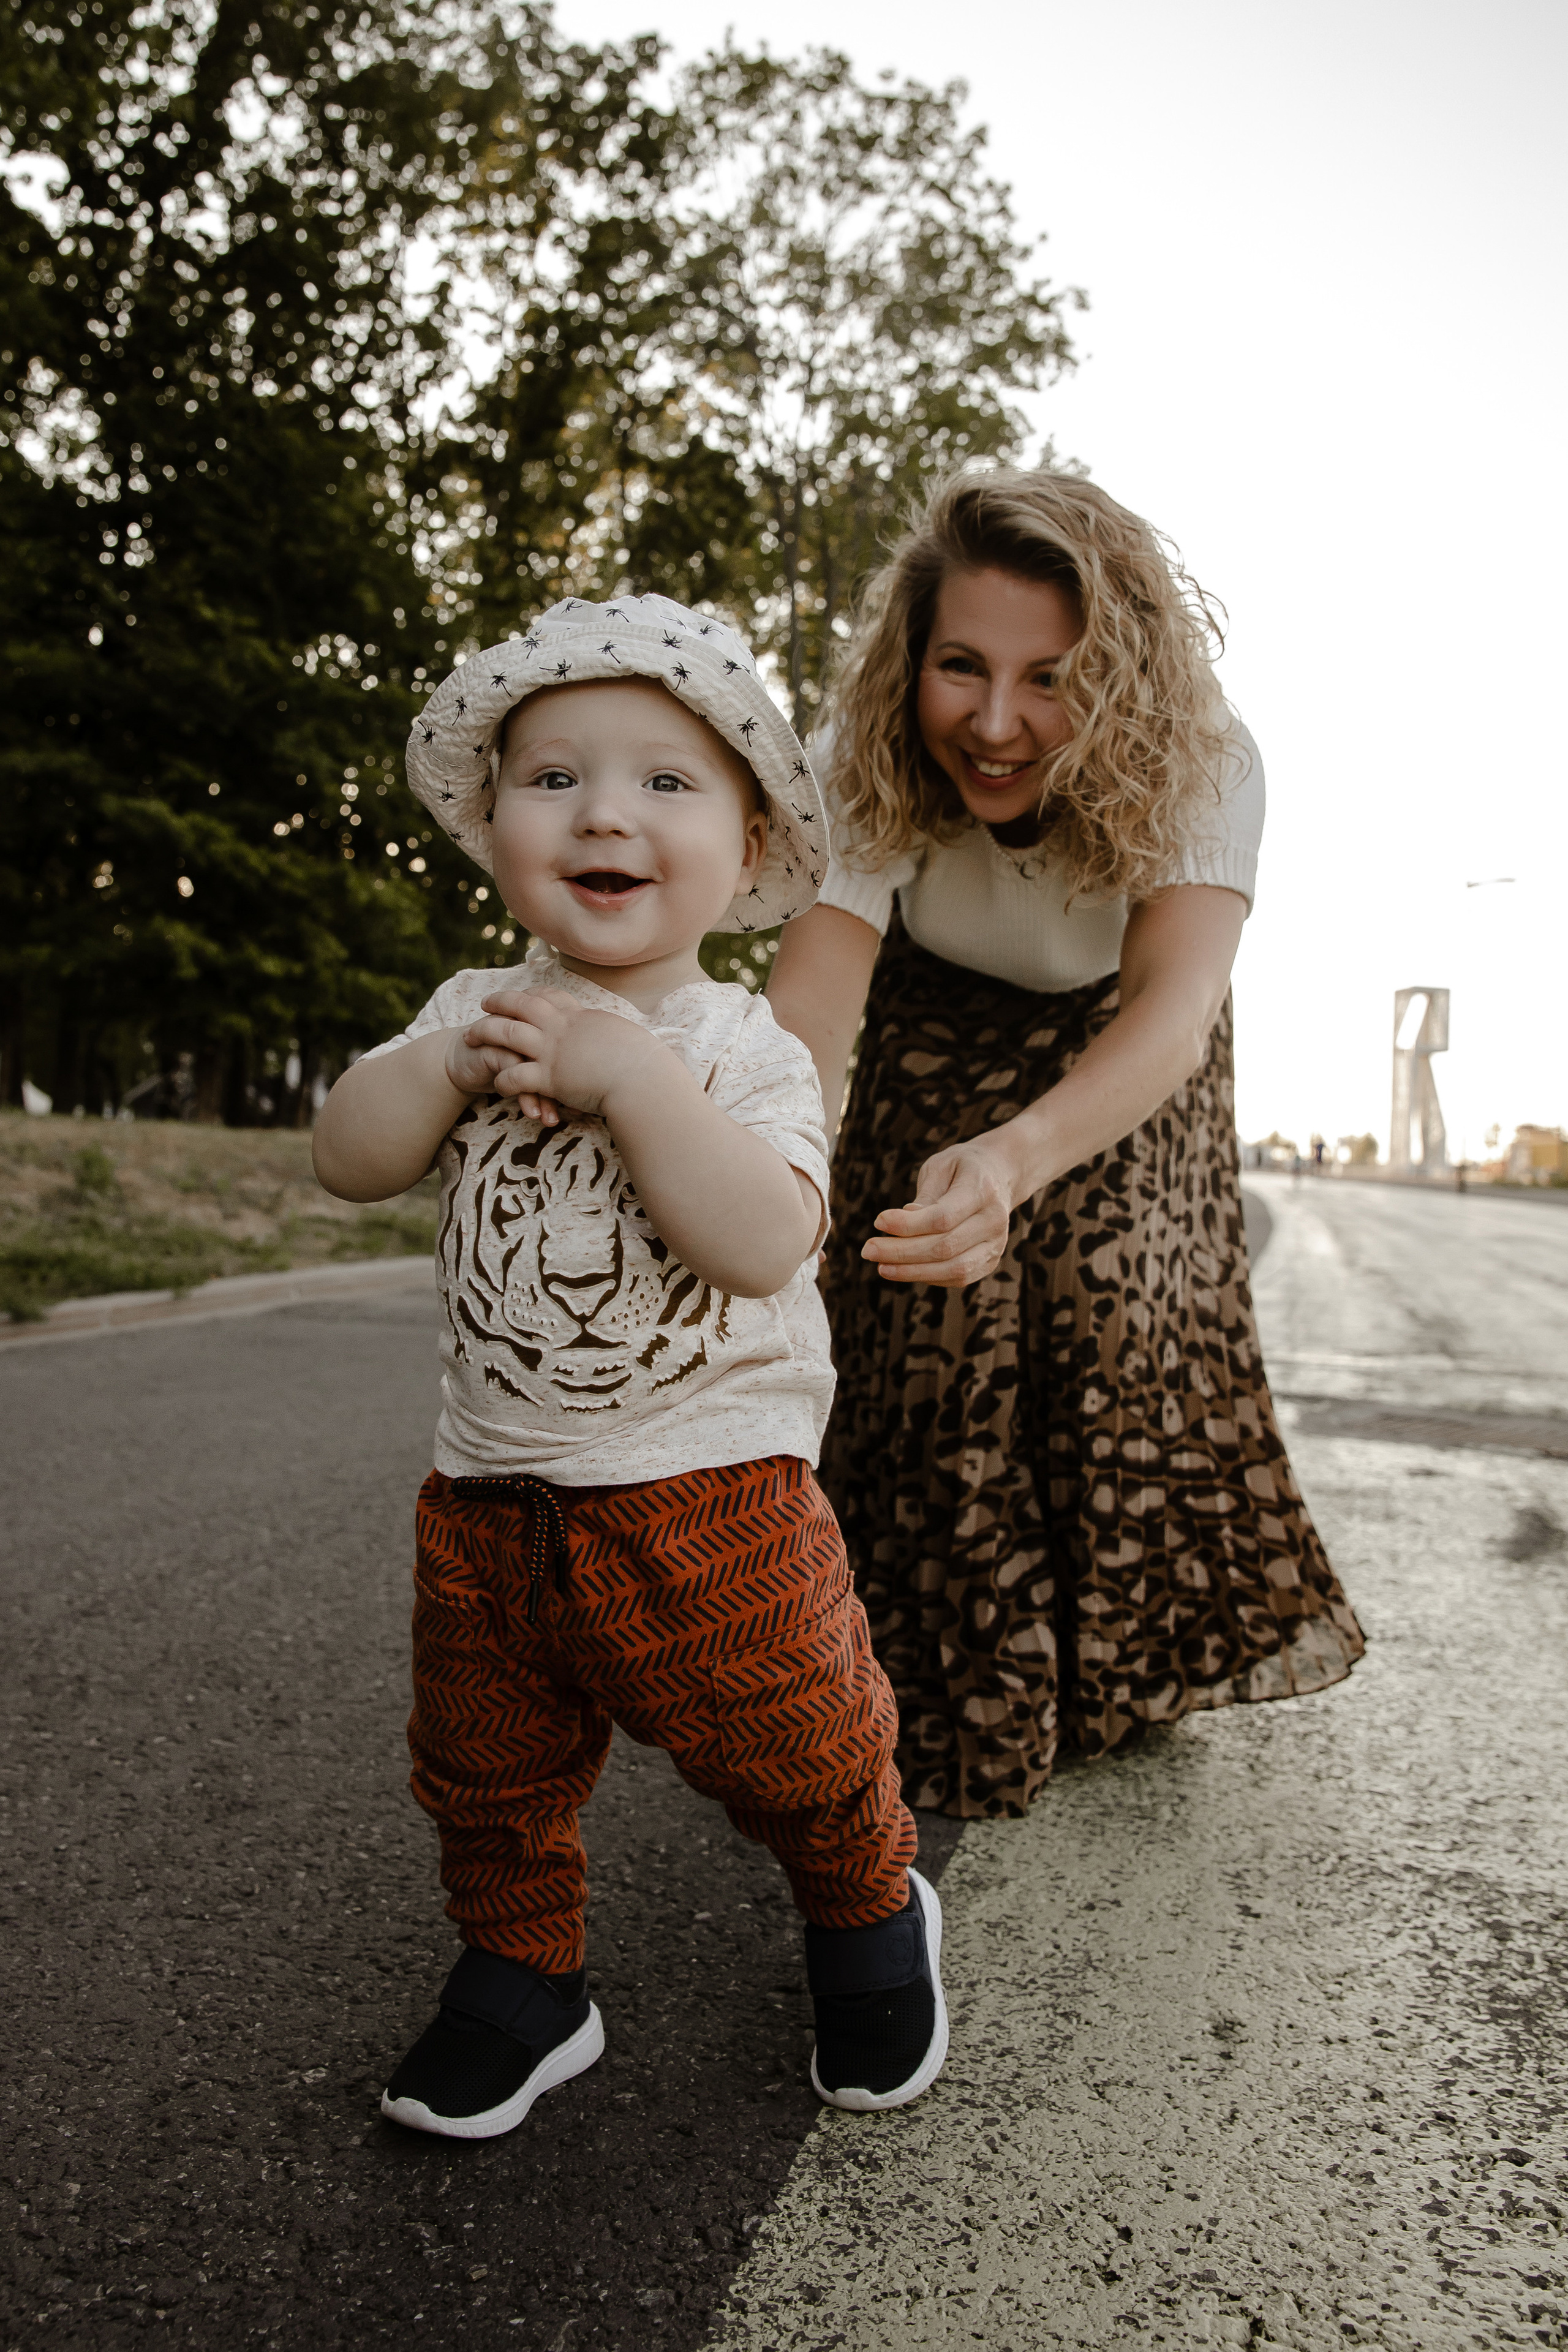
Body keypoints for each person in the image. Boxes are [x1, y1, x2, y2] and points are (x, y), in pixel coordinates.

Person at [313, 593, 947, 2138]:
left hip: (709, 1499)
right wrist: (433, 1063)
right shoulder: (474, 1009)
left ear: (743, 854)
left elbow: (764, 1240)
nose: (604, 811)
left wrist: (629, 1078)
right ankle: (522, 1978)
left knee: (793, 1735)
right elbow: (349, 1158)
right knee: (485, 1768)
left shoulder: (743, 1049)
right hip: (491, 1496)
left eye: (667, 782)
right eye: (554, 777)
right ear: (496, 829)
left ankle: (868, 1909)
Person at [767, 469, 1365, 1820]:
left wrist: (1018, 1158)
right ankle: (909, 1667)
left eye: (1049, 679)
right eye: (959, 668)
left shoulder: (1208, 755)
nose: (991, 723)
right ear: (909, 661)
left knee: (1104, 1297)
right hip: (938, 998)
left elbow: (1170, 1009)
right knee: (915, 1296)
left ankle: (1107, 1662)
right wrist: (773, 1189)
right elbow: (805, 1015)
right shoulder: (853, 746)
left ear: (1120, 684)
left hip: (1127, 1020)